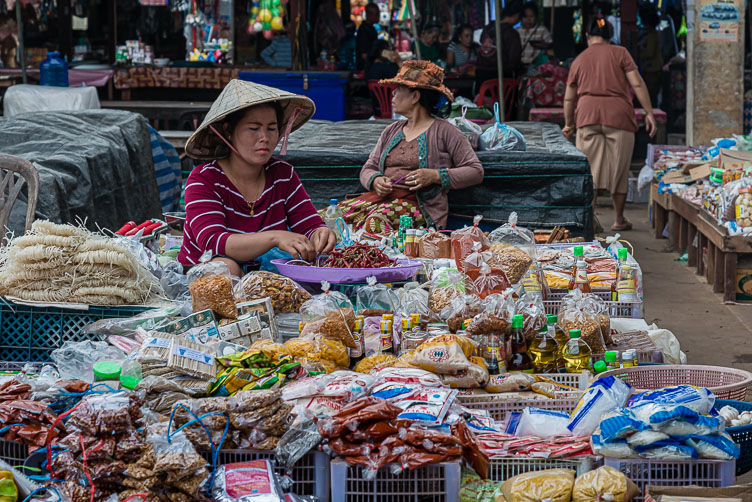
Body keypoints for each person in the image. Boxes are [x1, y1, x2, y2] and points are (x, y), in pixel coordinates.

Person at [180, 79, 337, 275]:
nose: (264, 137)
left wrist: (321, 234)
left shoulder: (283, 174)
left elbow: (310, 225)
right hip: (206, 277)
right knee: (224, 269)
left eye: (271, 128)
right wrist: (275, 238)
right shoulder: (204, 179)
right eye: (254, 128)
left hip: (267, 276)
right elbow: (215, 242)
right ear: (228, 131)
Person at [351, 60, 484, 231]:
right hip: (380, 200)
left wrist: (435, 176)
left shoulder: (447, 132)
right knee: (329, 217)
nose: (393, 95)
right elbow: (369, 167)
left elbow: (475, 171)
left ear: (415, 97)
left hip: (419, 207)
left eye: (398, 90)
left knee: (374, 223)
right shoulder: (391, 130)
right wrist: (375, 180)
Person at [563, 18, 657, 232]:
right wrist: (649, 113)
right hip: (619, 116)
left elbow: (569, 98)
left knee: (589, 170)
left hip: (587, 116)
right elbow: (637, 83)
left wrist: (569, 124)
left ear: (588, 36)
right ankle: (619, 219)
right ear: (610, 36)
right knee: (620, 168)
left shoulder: (579, 59)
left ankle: (591, 221)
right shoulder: (621, 53)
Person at [476, 0, 523, 83]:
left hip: (481, 76)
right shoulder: (511, 33)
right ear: (517, 16)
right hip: (501, 78)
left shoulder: (488, 28)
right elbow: (514, 60)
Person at [516, 2, 554, 66]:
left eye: (531, 16)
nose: (528, 19)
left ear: (536, 17)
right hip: (519, 66)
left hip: (537, 67)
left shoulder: (542, 30)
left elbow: (550, 49)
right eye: (525, 16)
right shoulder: (517, 31)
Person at [639, 7, 663, 107]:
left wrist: (639, 54)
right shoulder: (651, 34)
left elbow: (650, 53)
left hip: (653, 69)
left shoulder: (652, 35)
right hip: (651, 68)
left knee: (650, 95)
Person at [356, 3, 381, 70]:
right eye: (376, 15)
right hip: (365, 67)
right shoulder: (364, 30)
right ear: (368, 15)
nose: (378, 17)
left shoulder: (370, 28)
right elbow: (364, 53)